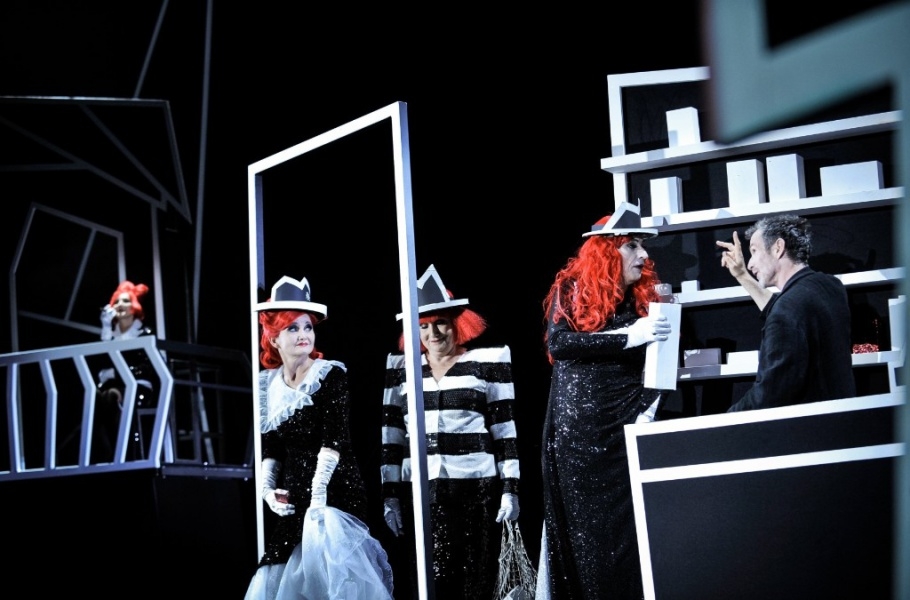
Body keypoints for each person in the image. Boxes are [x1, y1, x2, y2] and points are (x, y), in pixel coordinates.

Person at [539, 201, 672, 600]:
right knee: (587, 536)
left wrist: (648, 411)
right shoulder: (570, 290)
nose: (643, 255)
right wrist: (630, 336)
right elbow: (560, 344)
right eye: (632, 245)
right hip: (578, 435)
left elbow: (663, 365)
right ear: (606, 251)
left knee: (630, 533)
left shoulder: (648, 299)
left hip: (626, 428)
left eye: (642, 246)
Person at [244, 275, 393, 600]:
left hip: (335, 487)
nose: (303, 335)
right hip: (295, 490)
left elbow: (334, 438)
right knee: (283, 573)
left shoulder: (329, 374)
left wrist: (318, 496)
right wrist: (267, 491)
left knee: (331, 573)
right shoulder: (268, 384)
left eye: (307, 327)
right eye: (292, 328)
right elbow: (272, 446)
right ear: (273, 337)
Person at [379, 264, 521, 600]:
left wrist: (511, 490)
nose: (433, 333)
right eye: (423, 326)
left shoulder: (488, 361)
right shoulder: (402, 369)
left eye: (441, 322)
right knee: (429, 582)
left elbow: (505, 432)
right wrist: (390, 497)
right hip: (421, 492)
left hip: (475, 489)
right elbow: (391, 436)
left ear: (458, 322)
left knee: (475, 580)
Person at [715, 214, 856, 412]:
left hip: (809, 425)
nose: (750, 263)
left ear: (778, 248)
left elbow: (770, 393)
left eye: (754, 251)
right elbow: (788, 308)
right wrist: (741, 275)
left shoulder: (787, 310)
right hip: (842, 417)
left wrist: (728, 418)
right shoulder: (831, 286)